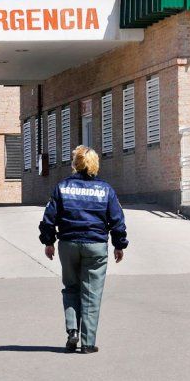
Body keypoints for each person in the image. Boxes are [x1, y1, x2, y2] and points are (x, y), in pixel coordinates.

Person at [39, 145, 128, 354]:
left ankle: (72, 332)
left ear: (75, 164)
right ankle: (88, 343)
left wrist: (49, 242)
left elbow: (48, 219)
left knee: (70, 288)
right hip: (96, 246)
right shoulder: (106, 190)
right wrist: (119, 245)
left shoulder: (62, 187)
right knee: (91, 293)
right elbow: (117, 220)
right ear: (95, 164)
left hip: (68, 244)